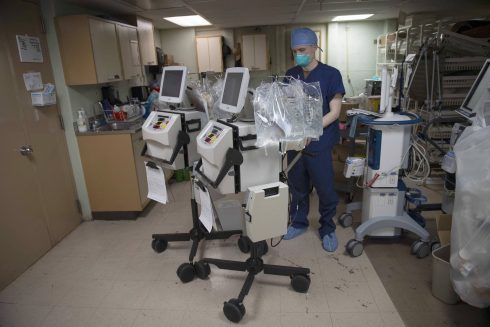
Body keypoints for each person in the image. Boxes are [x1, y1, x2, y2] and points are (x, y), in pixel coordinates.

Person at [283, 27, 345, 252]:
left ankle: (327, 228)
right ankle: (299, 222)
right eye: (294, 51)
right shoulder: (291, 74)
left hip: (318, 141)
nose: (298, 54)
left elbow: (335, 112)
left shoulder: (331, 74)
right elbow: (286, 108)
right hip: (296, 141)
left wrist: (312, 129)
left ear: (314, 48)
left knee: (325, 188)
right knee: (297, 185)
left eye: (302, 50)